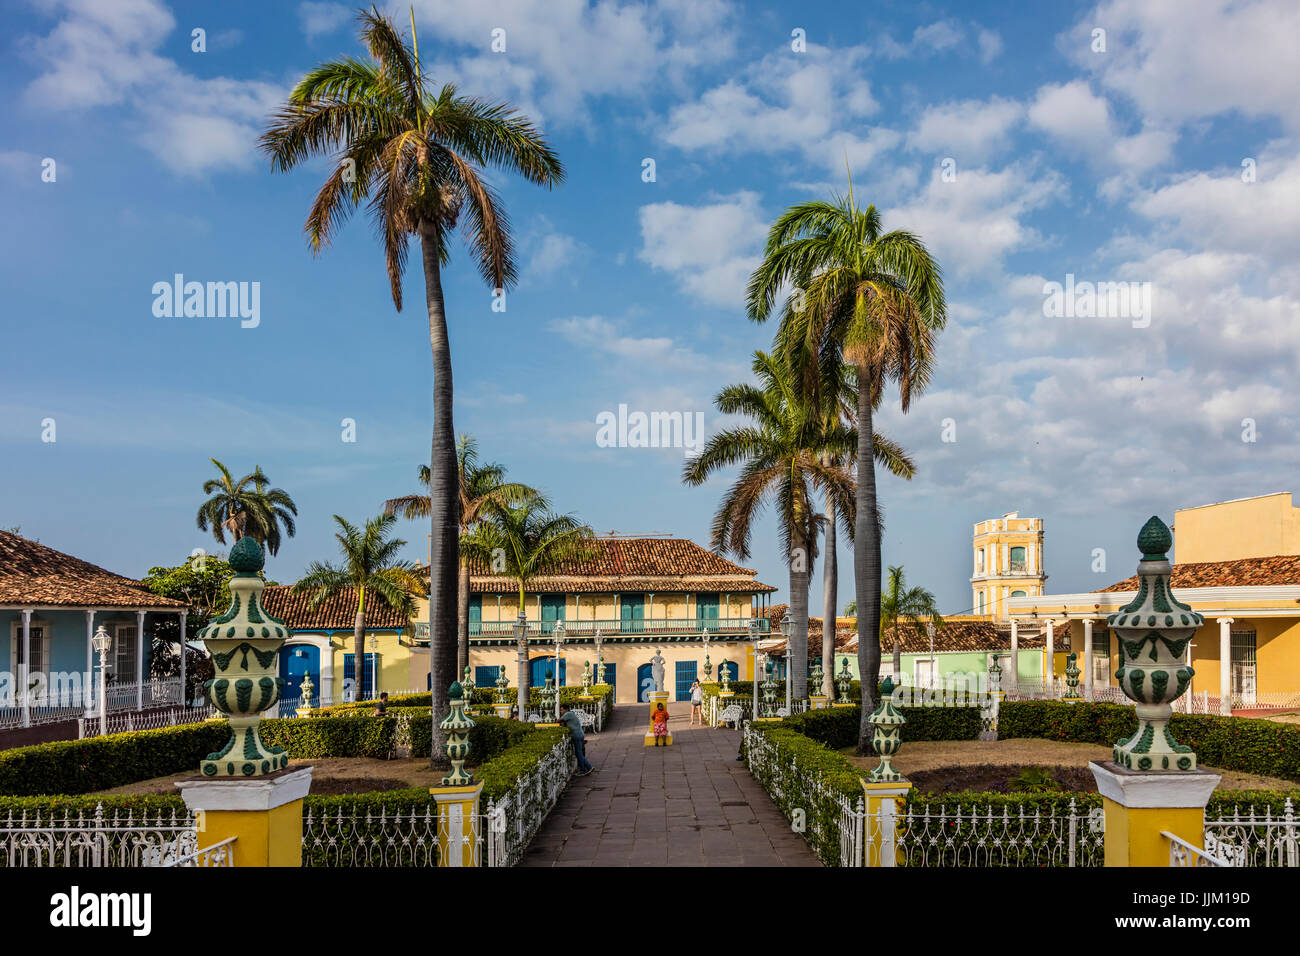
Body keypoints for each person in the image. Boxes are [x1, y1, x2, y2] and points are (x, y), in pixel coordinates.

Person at [558, 703, 594, 775]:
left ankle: (588, 767)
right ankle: (583, 768)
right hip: (580, 734)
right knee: (579, 753)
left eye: (562, 710)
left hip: (577, 735)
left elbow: (559, 720)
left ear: (566, 709)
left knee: (579, 753)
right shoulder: (571, 714)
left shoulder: (568, 714)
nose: (561, 712)